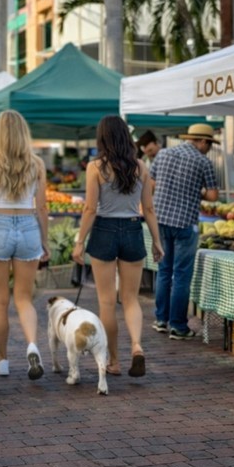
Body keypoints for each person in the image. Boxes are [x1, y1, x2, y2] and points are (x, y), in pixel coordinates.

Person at [73, 116, 163, 377]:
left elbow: (90, 208)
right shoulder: (140, 167)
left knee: (107, 301)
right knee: (131, 299)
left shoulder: (96, 167)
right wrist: (157, 241)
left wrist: (80, 242)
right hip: (134, 229)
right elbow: (148, 208)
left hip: (104, 230)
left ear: (103, 137)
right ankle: (136, 346)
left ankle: (113, 361)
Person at [0, 110, 49, 379]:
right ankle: (32, 347)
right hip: (28, 227)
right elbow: (42, 207)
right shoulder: (37, 163)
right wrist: (44, 241)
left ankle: (2, 359)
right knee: (25, 299)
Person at [150, 123, 220, 340]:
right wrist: (194, 190)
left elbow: (150, 184)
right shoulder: (203, 161)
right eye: (209, 144)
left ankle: (161, 320)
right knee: (181, 275)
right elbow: (213, 196)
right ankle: (178, 326)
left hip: (160, 220)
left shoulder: (162, 154)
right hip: (185, 223)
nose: (208, 149)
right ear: (202, 141)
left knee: (163, 270)